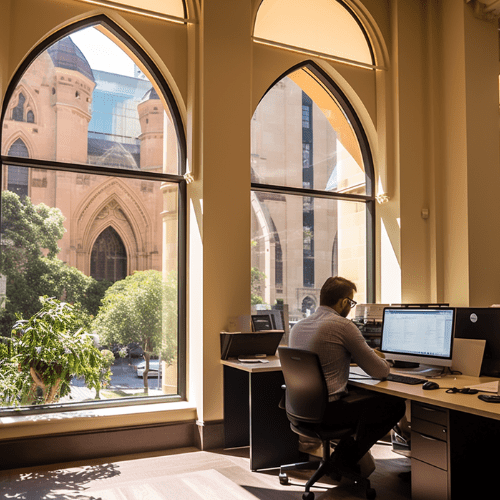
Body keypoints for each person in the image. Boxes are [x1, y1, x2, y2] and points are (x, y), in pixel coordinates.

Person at [289, 276, 406, 470]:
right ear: (344, 302)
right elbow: (380, 371)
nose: (350, 307)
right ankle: (343, 460)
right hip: (328, 414)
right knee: (394, 405)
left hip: (299, 410)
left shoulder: (298, 327)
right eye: (351, 303)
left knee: (367, 397)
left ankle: (343, 458)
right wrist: (382, 357)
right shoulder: (343, 326)